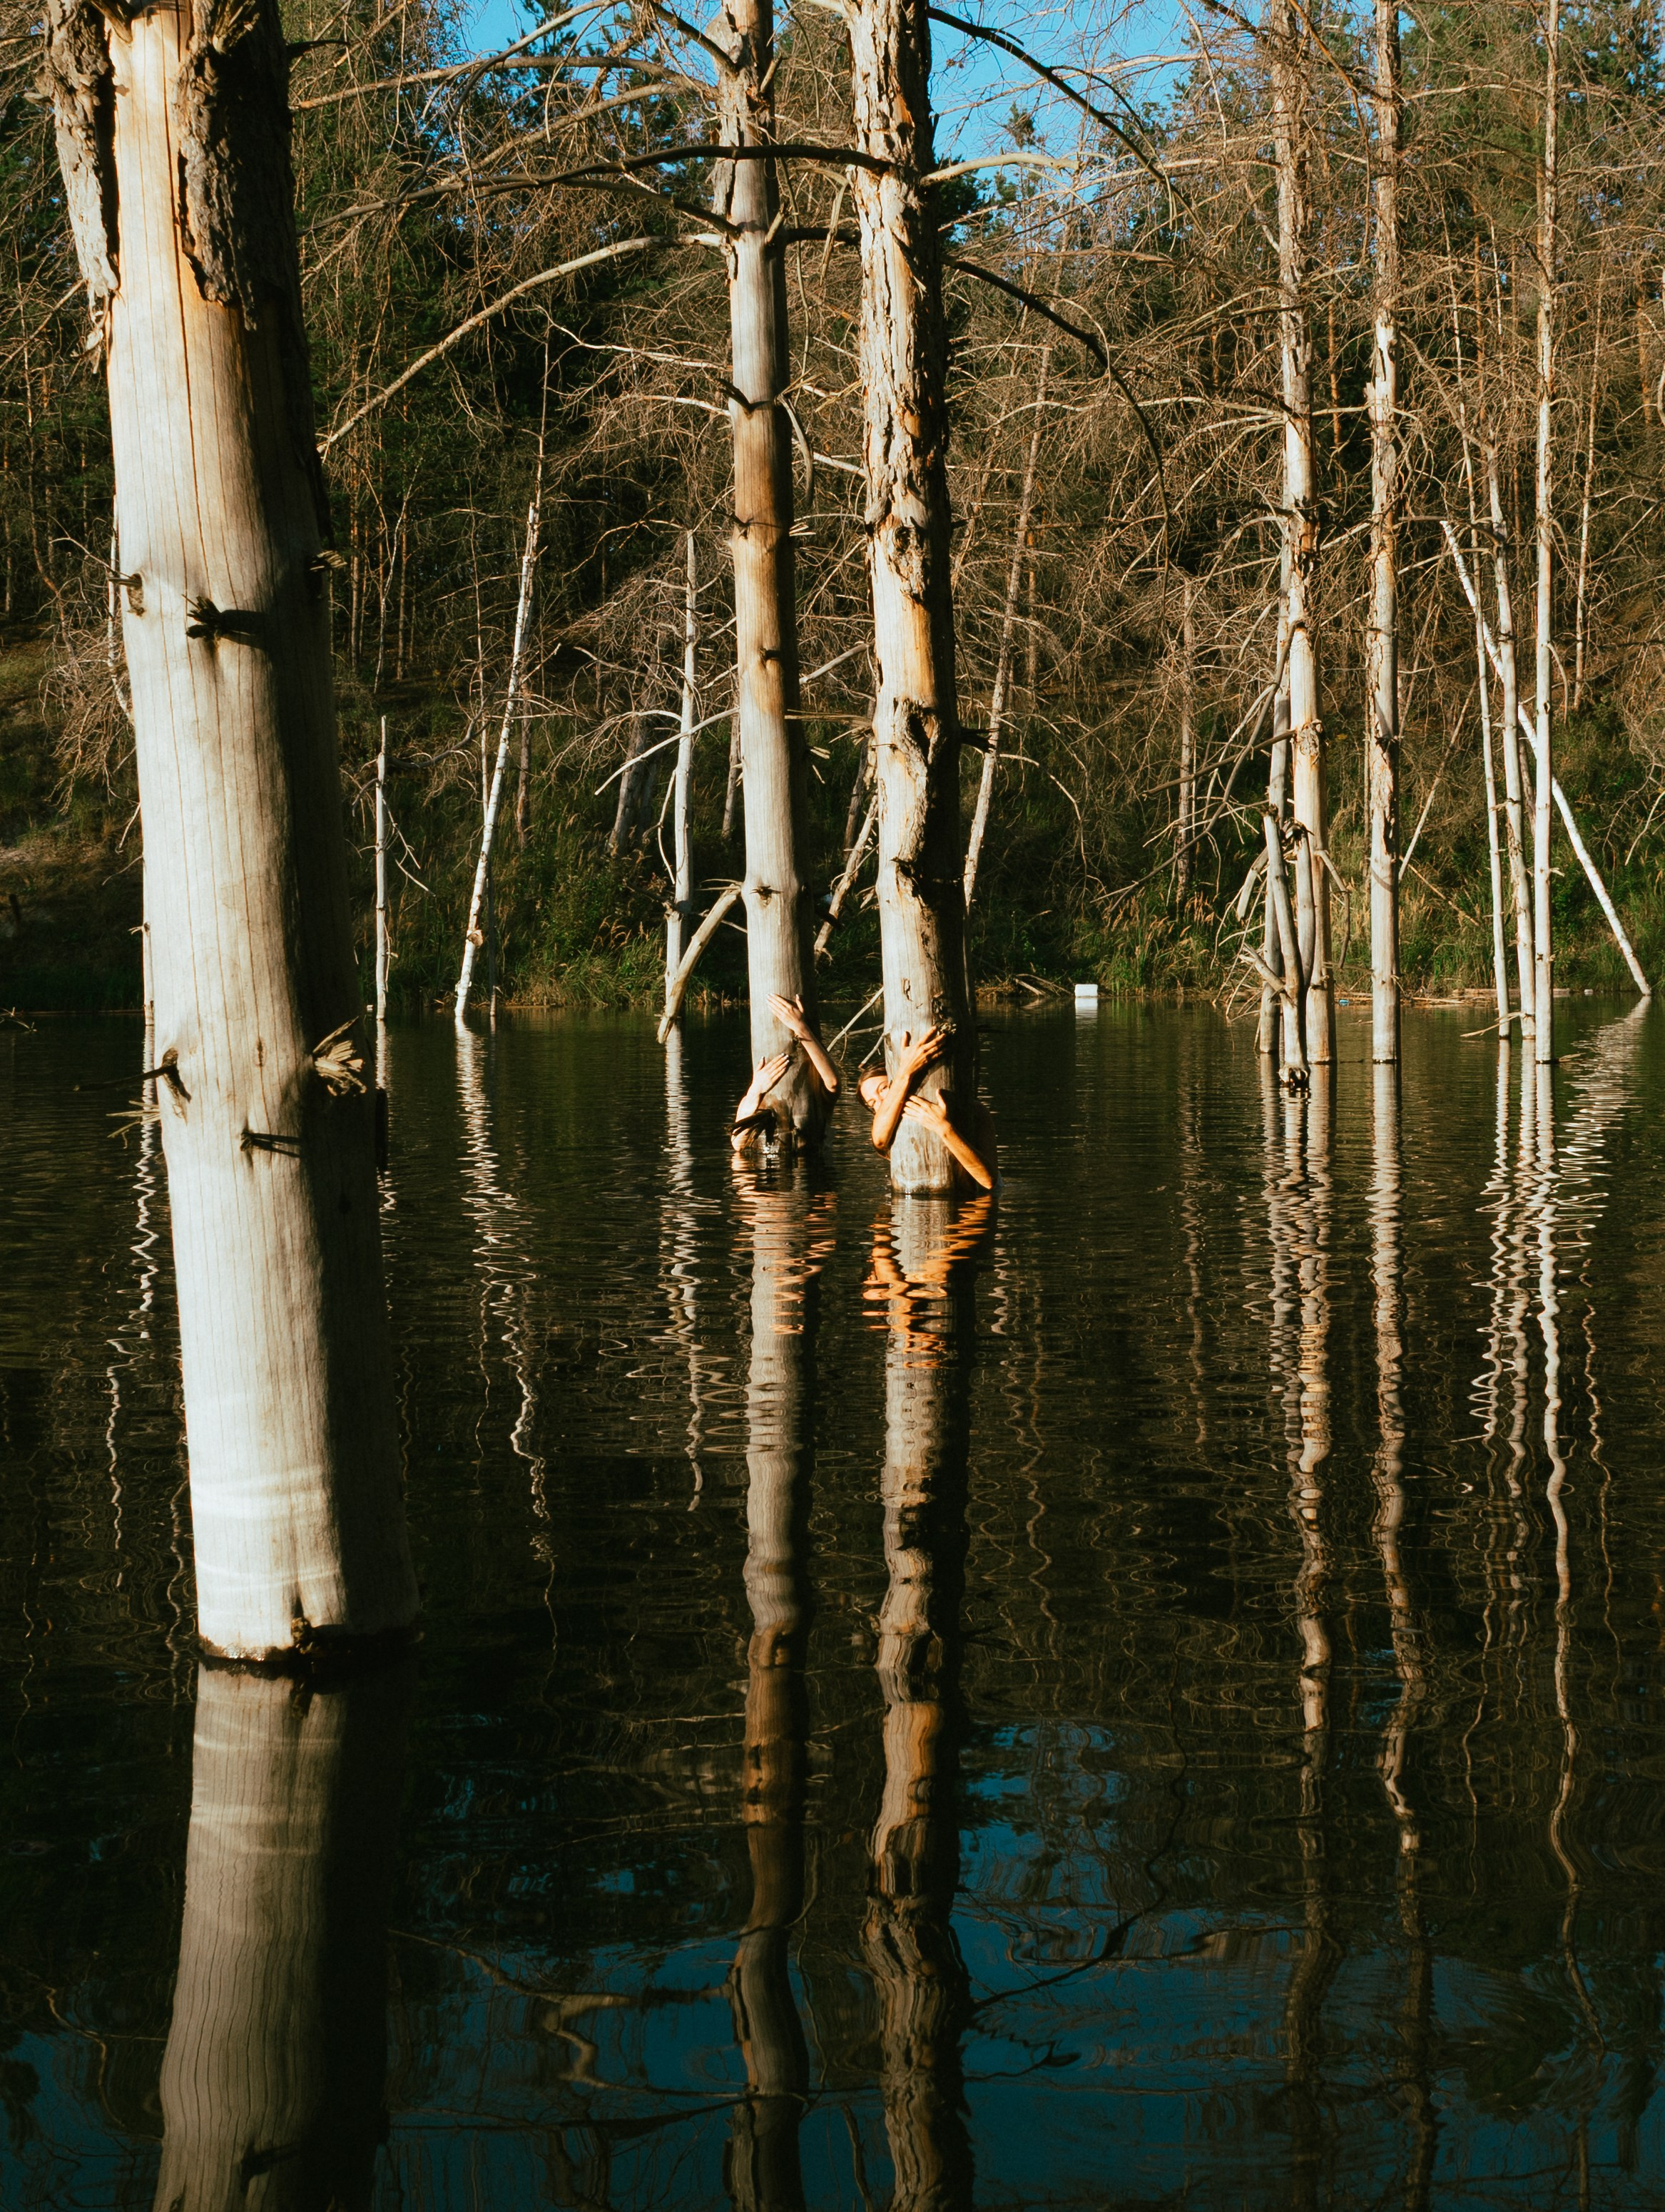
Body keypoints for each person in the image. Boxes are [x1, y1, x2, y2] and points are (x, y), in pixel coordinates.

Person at [857, 1024, 998, 1192]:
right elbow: (879, 1141)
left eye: (883, 1089)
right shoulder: (887, 1130)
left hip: (975, 1202)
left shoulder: (974, 1110)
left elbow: (988, 1182)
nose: (881, 1103)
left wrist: (944, 1128)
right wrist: (905, 1071)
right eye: (872, 1103)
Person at [730, 992, 840, 1153]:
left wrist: (801, 1028)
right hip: (769, 1163)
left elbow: (833, 1083)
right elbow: (738, 1144)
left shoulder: (819, 1092)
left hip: (811, 1162)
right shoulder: (754, 1096)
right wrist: (755, 1091)